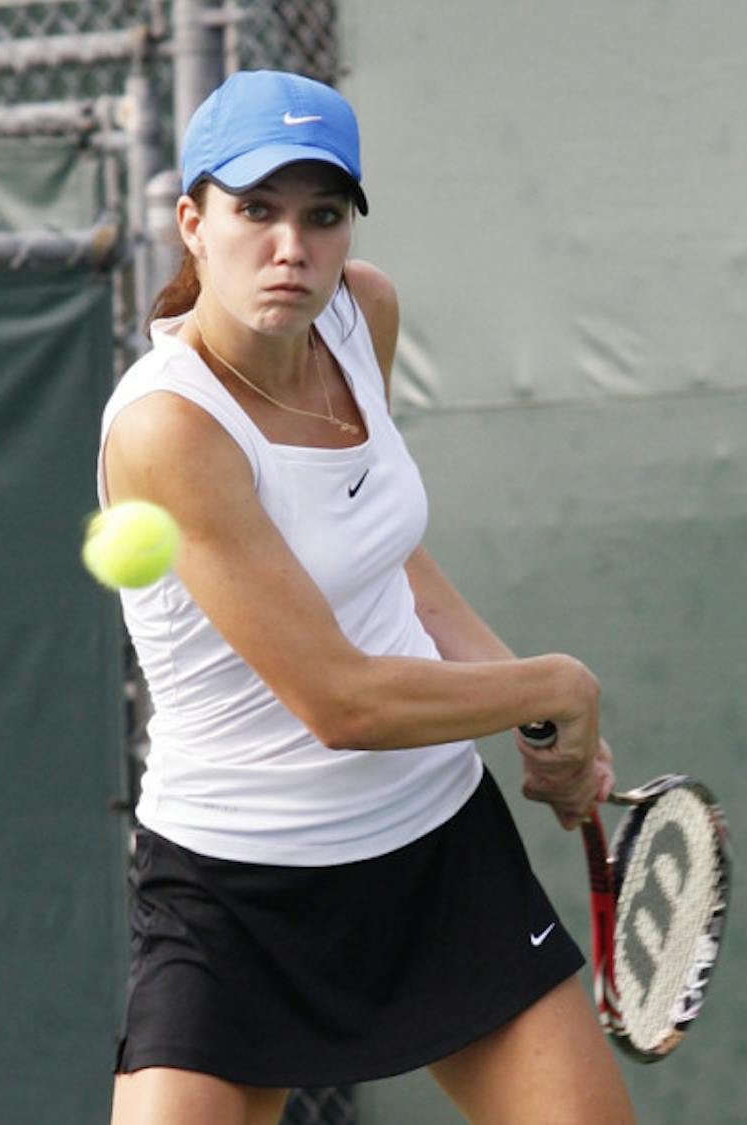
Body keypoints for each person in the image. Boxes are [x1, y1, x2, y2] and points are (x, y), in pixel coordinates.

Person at [100, 69, 636, 1125]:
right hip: (236, 895)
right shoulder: (171, 428)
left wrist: (529, 715)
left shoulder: (360, 317)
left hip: (433, 854)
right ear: (193, 224)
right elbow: (339, 704)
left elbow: (387, 556)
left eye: (322, 215)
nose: (291, 246)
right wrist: (557, 686)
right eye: (256, 210)